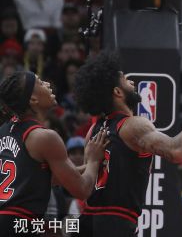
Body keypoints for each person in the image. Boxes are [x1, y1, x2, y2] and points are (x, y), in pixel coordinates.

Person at [73, 52, 182, 236]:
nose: (132, 83)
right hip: (115, 223)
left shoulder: (93, 130)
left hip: (88, 221)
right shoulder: (133, 125)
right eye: (126, 80)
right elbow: (177, 152)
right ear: (117, 92)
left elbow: (89, 175)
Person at [0, 71, 107, 234]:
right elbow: (82, 190)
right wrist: (93, 160)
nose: (48, 84)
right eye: (40, 83)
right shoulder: (44, 137)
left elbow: (47, 178)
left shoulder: (3, 131)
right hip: (20, 224)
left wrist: (84, 168)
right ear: (33, 99)